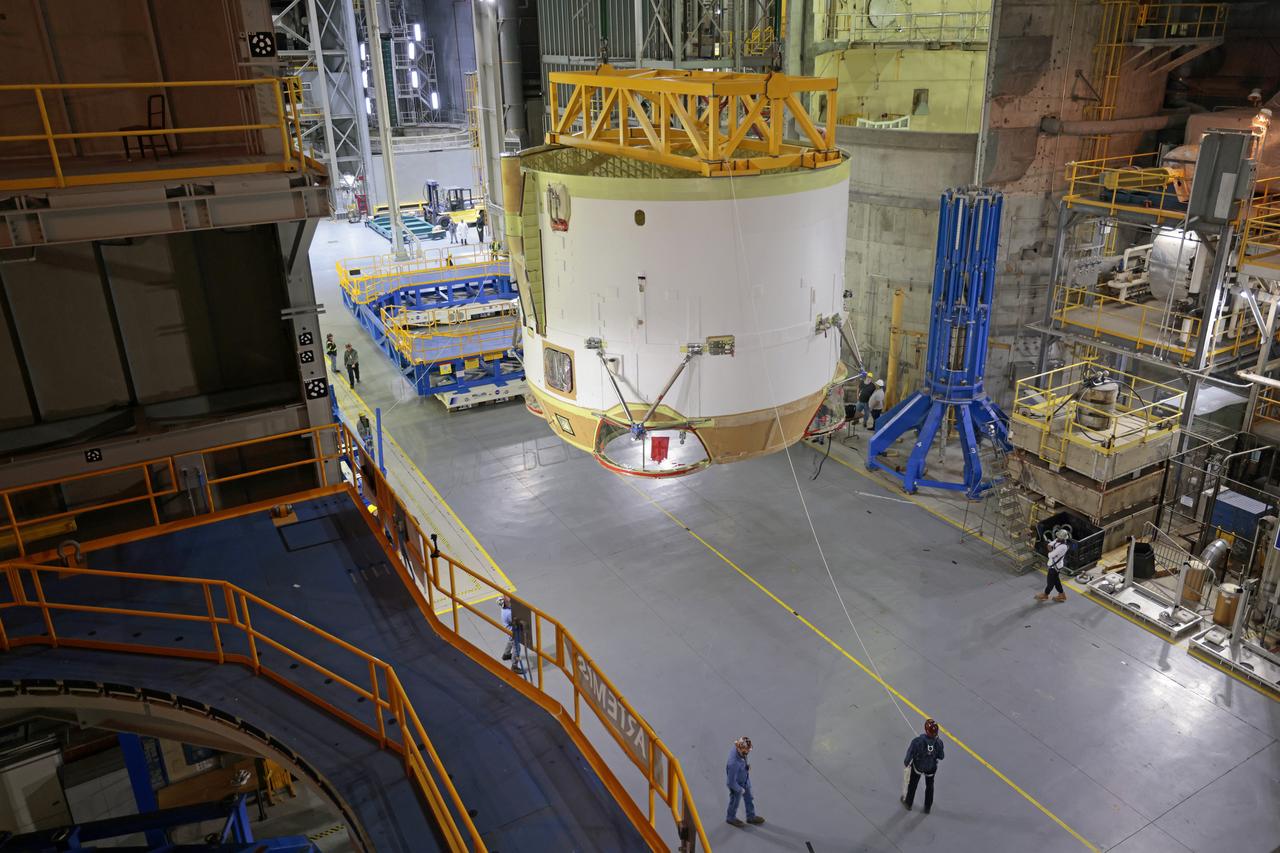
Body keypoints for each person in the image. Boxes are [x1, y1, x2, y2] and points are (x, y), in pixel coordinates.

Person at [902, 718, 945, 813]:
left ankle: (908, 803)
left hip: (918, 766)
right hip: (931, 768)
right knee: (930, 786)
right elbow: (941, 756)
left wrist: (906, 763)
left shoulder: (917, 741)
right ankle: (927, 807)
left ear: (926, 730)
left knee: (913, 784)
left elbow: (910, 754)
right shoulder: (939, 743)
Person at [725, 736, 764, 828]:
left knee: (749, 798)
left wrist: (745, 767)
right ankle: (730, 818)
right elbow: (730, 782)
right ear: (740, 749)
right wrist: (739, 789)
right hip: (736, 785)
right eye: (746, 750)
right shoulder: (733, 763)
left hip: (745, 779)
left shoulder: (741, 753)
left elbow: (743, 759)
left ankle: (751, 816)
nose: (748, 752)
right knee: (735, 801)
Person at [1036, 528, 1070, 602]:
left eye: (1059, 537)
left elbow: (1050, 555)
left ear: (1062, 538)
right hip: (1054, 565)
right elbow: (1050, 544)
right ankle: (1062, 595)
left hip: (1055, 567)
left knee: (1050, 582)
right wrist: (1052, 550)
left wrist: (1051, 551)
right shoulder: (1058, 541)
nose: (1057, 538)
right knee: (1056, 581)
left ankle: (1045, 595)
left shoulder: (1063, 547)